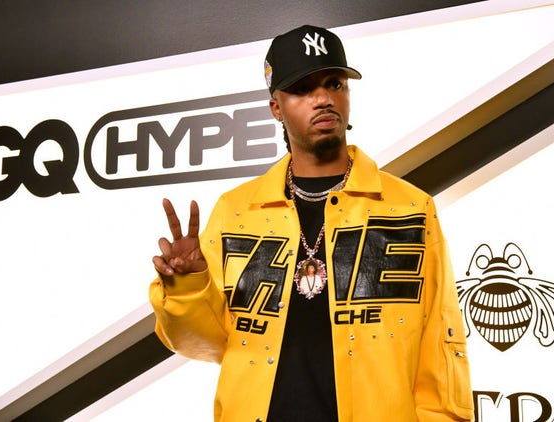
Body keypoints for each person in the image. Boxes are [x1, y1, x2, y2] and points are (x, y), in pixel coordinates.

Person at [150, 24, 474, 421]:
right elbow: (205, 343)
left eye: (335, 84)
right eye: (303, 89)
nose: (323, 99)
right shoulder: (235, 211)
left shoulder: (408, 207)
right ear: (276, 108)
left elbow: (440, 341)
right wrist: (188, 287)